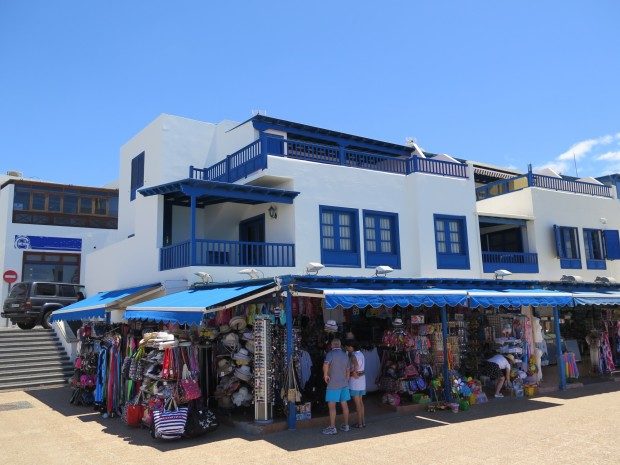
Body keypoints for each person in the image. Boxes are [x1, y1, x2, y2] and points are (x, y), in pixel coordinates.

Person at [322, 338, 351, 435]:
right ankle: (346, 425)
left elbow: (326, 364)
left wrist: (325, 375)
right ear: (340, 344)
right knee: (344, 405)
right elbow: (348, 370)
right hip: (344, 384)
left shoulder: (330, 354)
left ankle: (332, 427)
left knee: (332, 406)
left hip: (333, 384)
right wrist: (346, 379)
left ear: (332, 345)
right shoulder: (345, 355)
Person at [345, 339, 366, 428]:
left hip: (355, 381)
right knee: (360, 402)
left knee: (357, 403)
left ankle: (359, 423)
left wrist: (353, 372)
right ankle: (363, 422)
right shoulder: (361, 354)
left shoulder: (353, 355)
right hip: (362, 380)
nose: (346, 348)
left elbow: (356, 366)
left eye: (347, 347)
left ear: (351, 347)